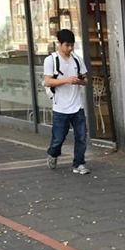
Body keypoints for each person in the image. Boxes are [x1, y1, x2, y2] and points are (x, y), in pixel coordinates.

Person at [44, 29, 90, 175]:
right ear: (60, 44)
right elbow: (47, 81)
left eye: (72, 45)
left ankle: (79, 163)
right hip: (60, 107)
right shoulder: (51, 60)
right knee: (58, 138)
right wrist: (66, 80)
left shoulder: (77, 59)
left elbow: (86, 80)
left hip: (77, 106)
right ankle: (53, 153)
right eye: (67, 45)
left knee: (81, 136)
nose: (70, 48)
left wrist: (80, 82)